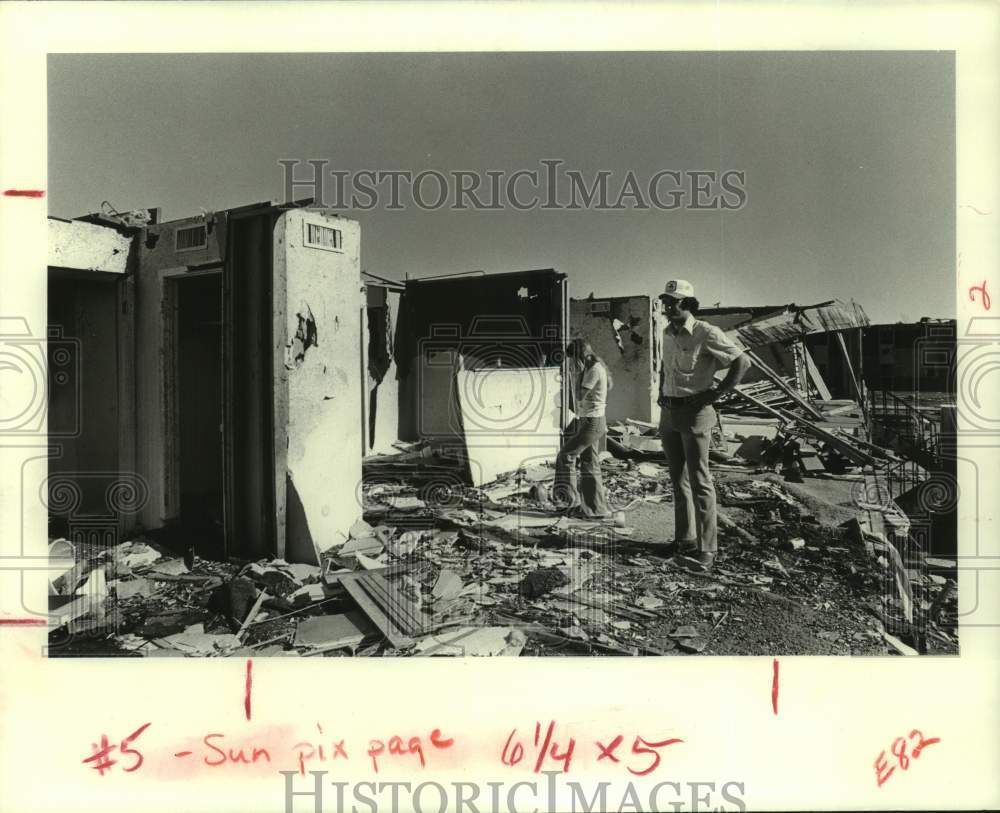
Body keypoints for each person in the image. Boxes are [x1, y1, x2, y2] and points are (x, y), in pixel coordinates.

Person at [658, 279, 750, 571]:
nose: (667, 306)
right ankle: (684, 540)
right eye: (665, 301)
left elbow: (742, 362)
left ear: (687, 303)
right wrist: (661, 392)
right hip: (669, 411)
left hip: (695, 411)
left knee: (700, 480)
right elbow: (665, 368)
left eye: (673, 302)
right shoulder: (666, 333)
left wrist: (717, 393)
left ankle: (707, 549)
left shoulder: (706, 332)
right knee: (678, 480)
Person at [553, 338, 612, 518]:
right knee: (590, 464)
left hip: (592, 422)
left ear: (580, 356)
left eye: (573, 359)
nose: (572, 364)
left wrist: (576, 375)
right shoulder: (592, 367)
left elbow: (579, 395)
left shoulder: (593, 370)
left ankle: (569, 503)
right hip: (591, 420)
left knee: (566, 456)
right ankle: (595, 509)